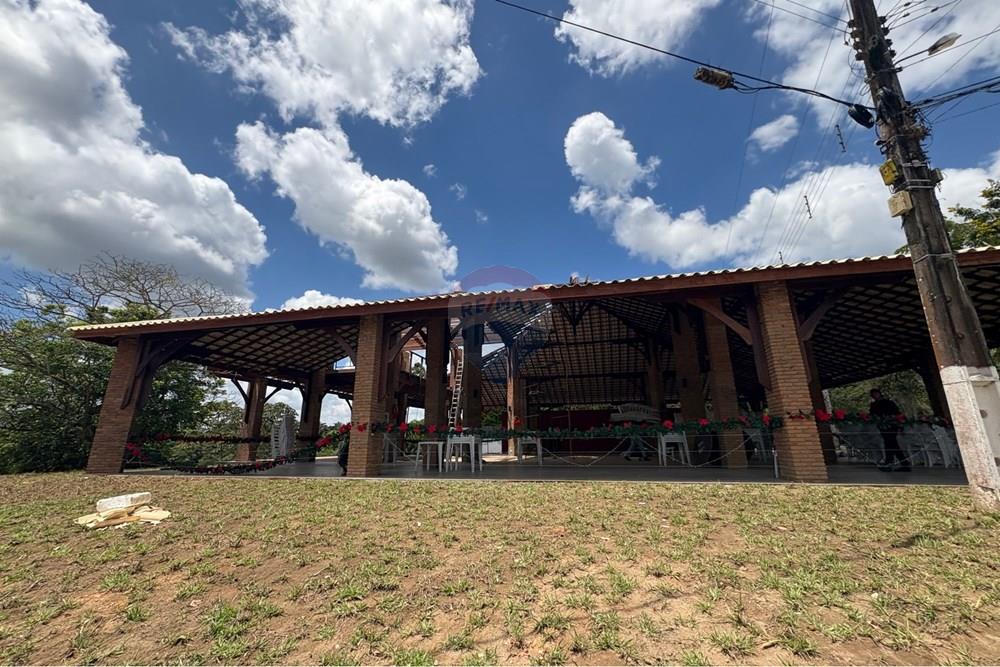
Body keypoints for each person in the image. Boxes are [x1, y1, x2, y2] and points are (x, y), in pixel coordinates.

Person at [869, 388, 910, 472]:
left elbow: (896, 413)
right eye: (873, 395)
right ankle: (903, 463)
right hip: (882, 426)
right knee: (891, 444)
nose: (875, 396)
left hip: (891, 425)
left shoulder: (889, 403)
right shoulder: (873, 405)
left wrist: (893, 420)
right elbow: (872, 415)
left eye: (876, 394)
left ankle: (890, 462)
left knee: (890, 443)